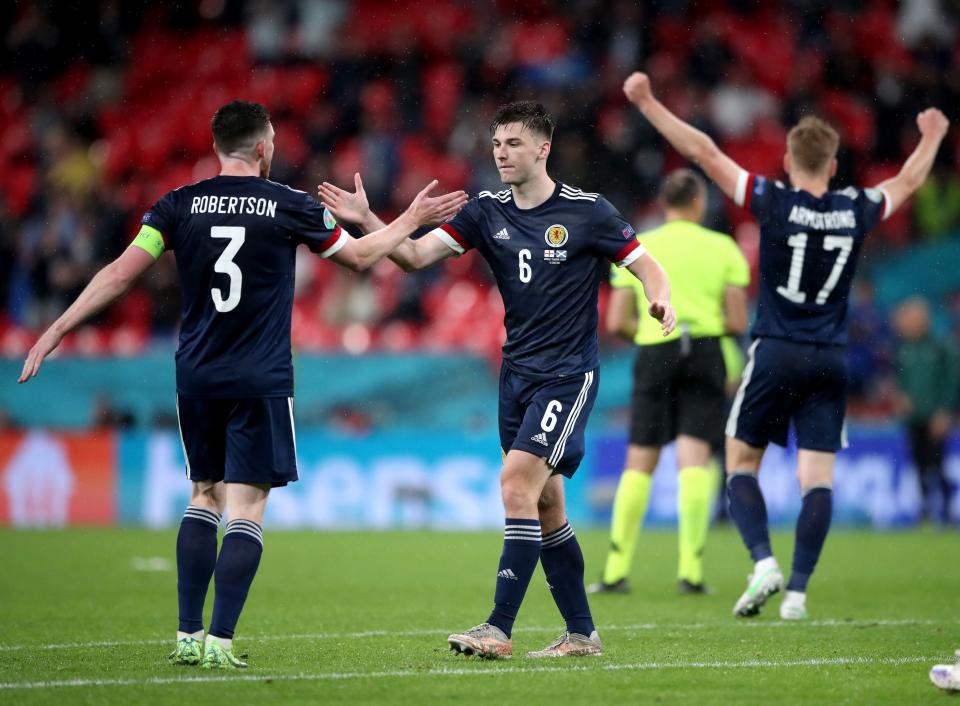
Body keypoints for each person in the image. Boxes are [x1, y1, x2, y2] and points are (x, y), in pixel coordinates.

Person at [18, 100, 467, 668]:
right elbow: (358, 259)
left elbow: (120, 273)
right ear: (262, 148)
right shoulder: (288, 204)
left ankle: (185, 635)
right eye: (273, 140)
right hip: (259, 376)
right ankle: (221, 642)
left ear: (215, 147)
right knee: (246, 511)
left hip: (198, 375)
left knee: (202, 494)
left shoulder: (176, 206)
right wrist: (406, 221)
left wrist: (55, 328)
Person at [318, 101, 676, 659]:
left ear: (543, 148)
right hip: (516, 375)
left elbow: (647, 263)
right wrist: (368, 220)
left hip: (567, 375)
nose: (501, 153)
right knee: (547, 502)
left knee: (515, 484)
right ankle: (582, 634)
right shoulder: (486, 211)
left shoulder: (589, 212)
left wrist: (660, 296)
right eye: (496, 144)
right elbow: (411, 257)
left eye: (512, 143)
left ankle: (498, 628)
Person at [622, 70, 949, 620]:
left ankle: (762, 562)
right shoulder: (856, 208)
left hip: (775, 348)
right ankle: (796, 591)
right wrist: (934, 133)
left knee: (739, 462)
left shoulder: (770, 198)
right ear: (834, 165)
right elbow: (910, 181)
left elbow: (703, 151)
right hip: (830, 355)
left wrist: (648, 102)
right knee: (816, 479)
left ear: (789, 162)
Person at [588, 168, 749, 597]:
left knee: (640, 459)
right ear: (699, 203)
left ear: (664, 204)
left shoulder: (643, 244)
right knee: (694, 459)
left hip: (655, 351)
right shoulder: (723, 247)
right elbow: (736, 320)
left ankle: (615, 571)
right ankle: (691, 573)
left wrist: (646, 335)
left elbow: (618, 318)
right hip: (706, 350)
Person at [892, 297, 958, 525]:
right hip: (914, 418)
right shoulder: (905, 349)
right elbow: (899, 379)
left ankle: (948, 513)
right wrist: (901, 396)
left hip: (935, 417)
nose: (904, 325)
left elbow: (951, 380)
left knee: (937, 466)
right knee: (918, 466)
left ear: (923, 320)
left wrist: (945, 411)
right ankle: (925, 512)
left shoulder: (941, 347)